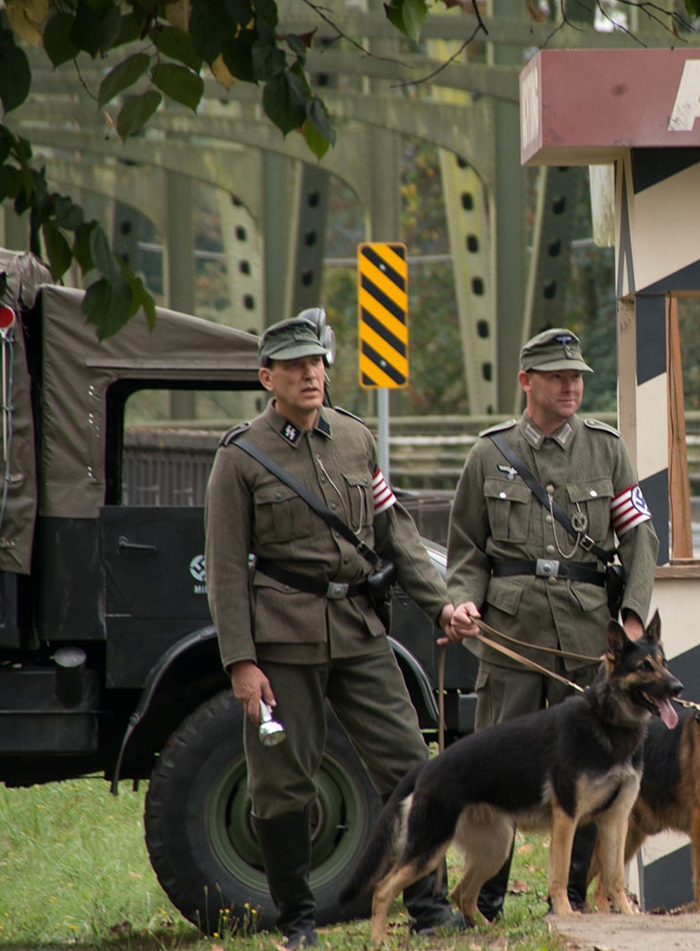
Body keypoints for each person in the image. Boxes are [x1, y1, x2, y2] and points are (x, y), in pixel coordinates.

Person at [204, 315, 462, 948]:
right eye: (295, 366)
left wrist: (441, 606)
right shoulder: (240, 458)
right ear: (268, 378)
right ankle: (297, 922)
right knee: (281, 780)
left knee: (409, 763)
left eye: (317, 363)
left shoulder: (355, 438)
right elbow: (226, 567)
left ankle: (429, 908)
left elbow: (394, 531)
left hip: (359, 628)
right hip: (283, 638)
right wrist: (241, 662)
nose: (311, 374)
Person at [443, 326, 659, 919]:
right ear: (526, 382)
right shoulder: (488, 454)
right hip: (510, 637)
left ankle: (579, 902)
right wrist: (461, 601)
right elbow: (465, 547)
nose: (571, 386)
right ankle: (485, 900)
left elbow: (641, 536)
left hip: (586, 632)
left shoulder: (606, 449)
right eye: (559, 376)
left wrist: (633, 619)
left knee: (597, 768)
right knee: (496, 765)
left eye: (578, 377)